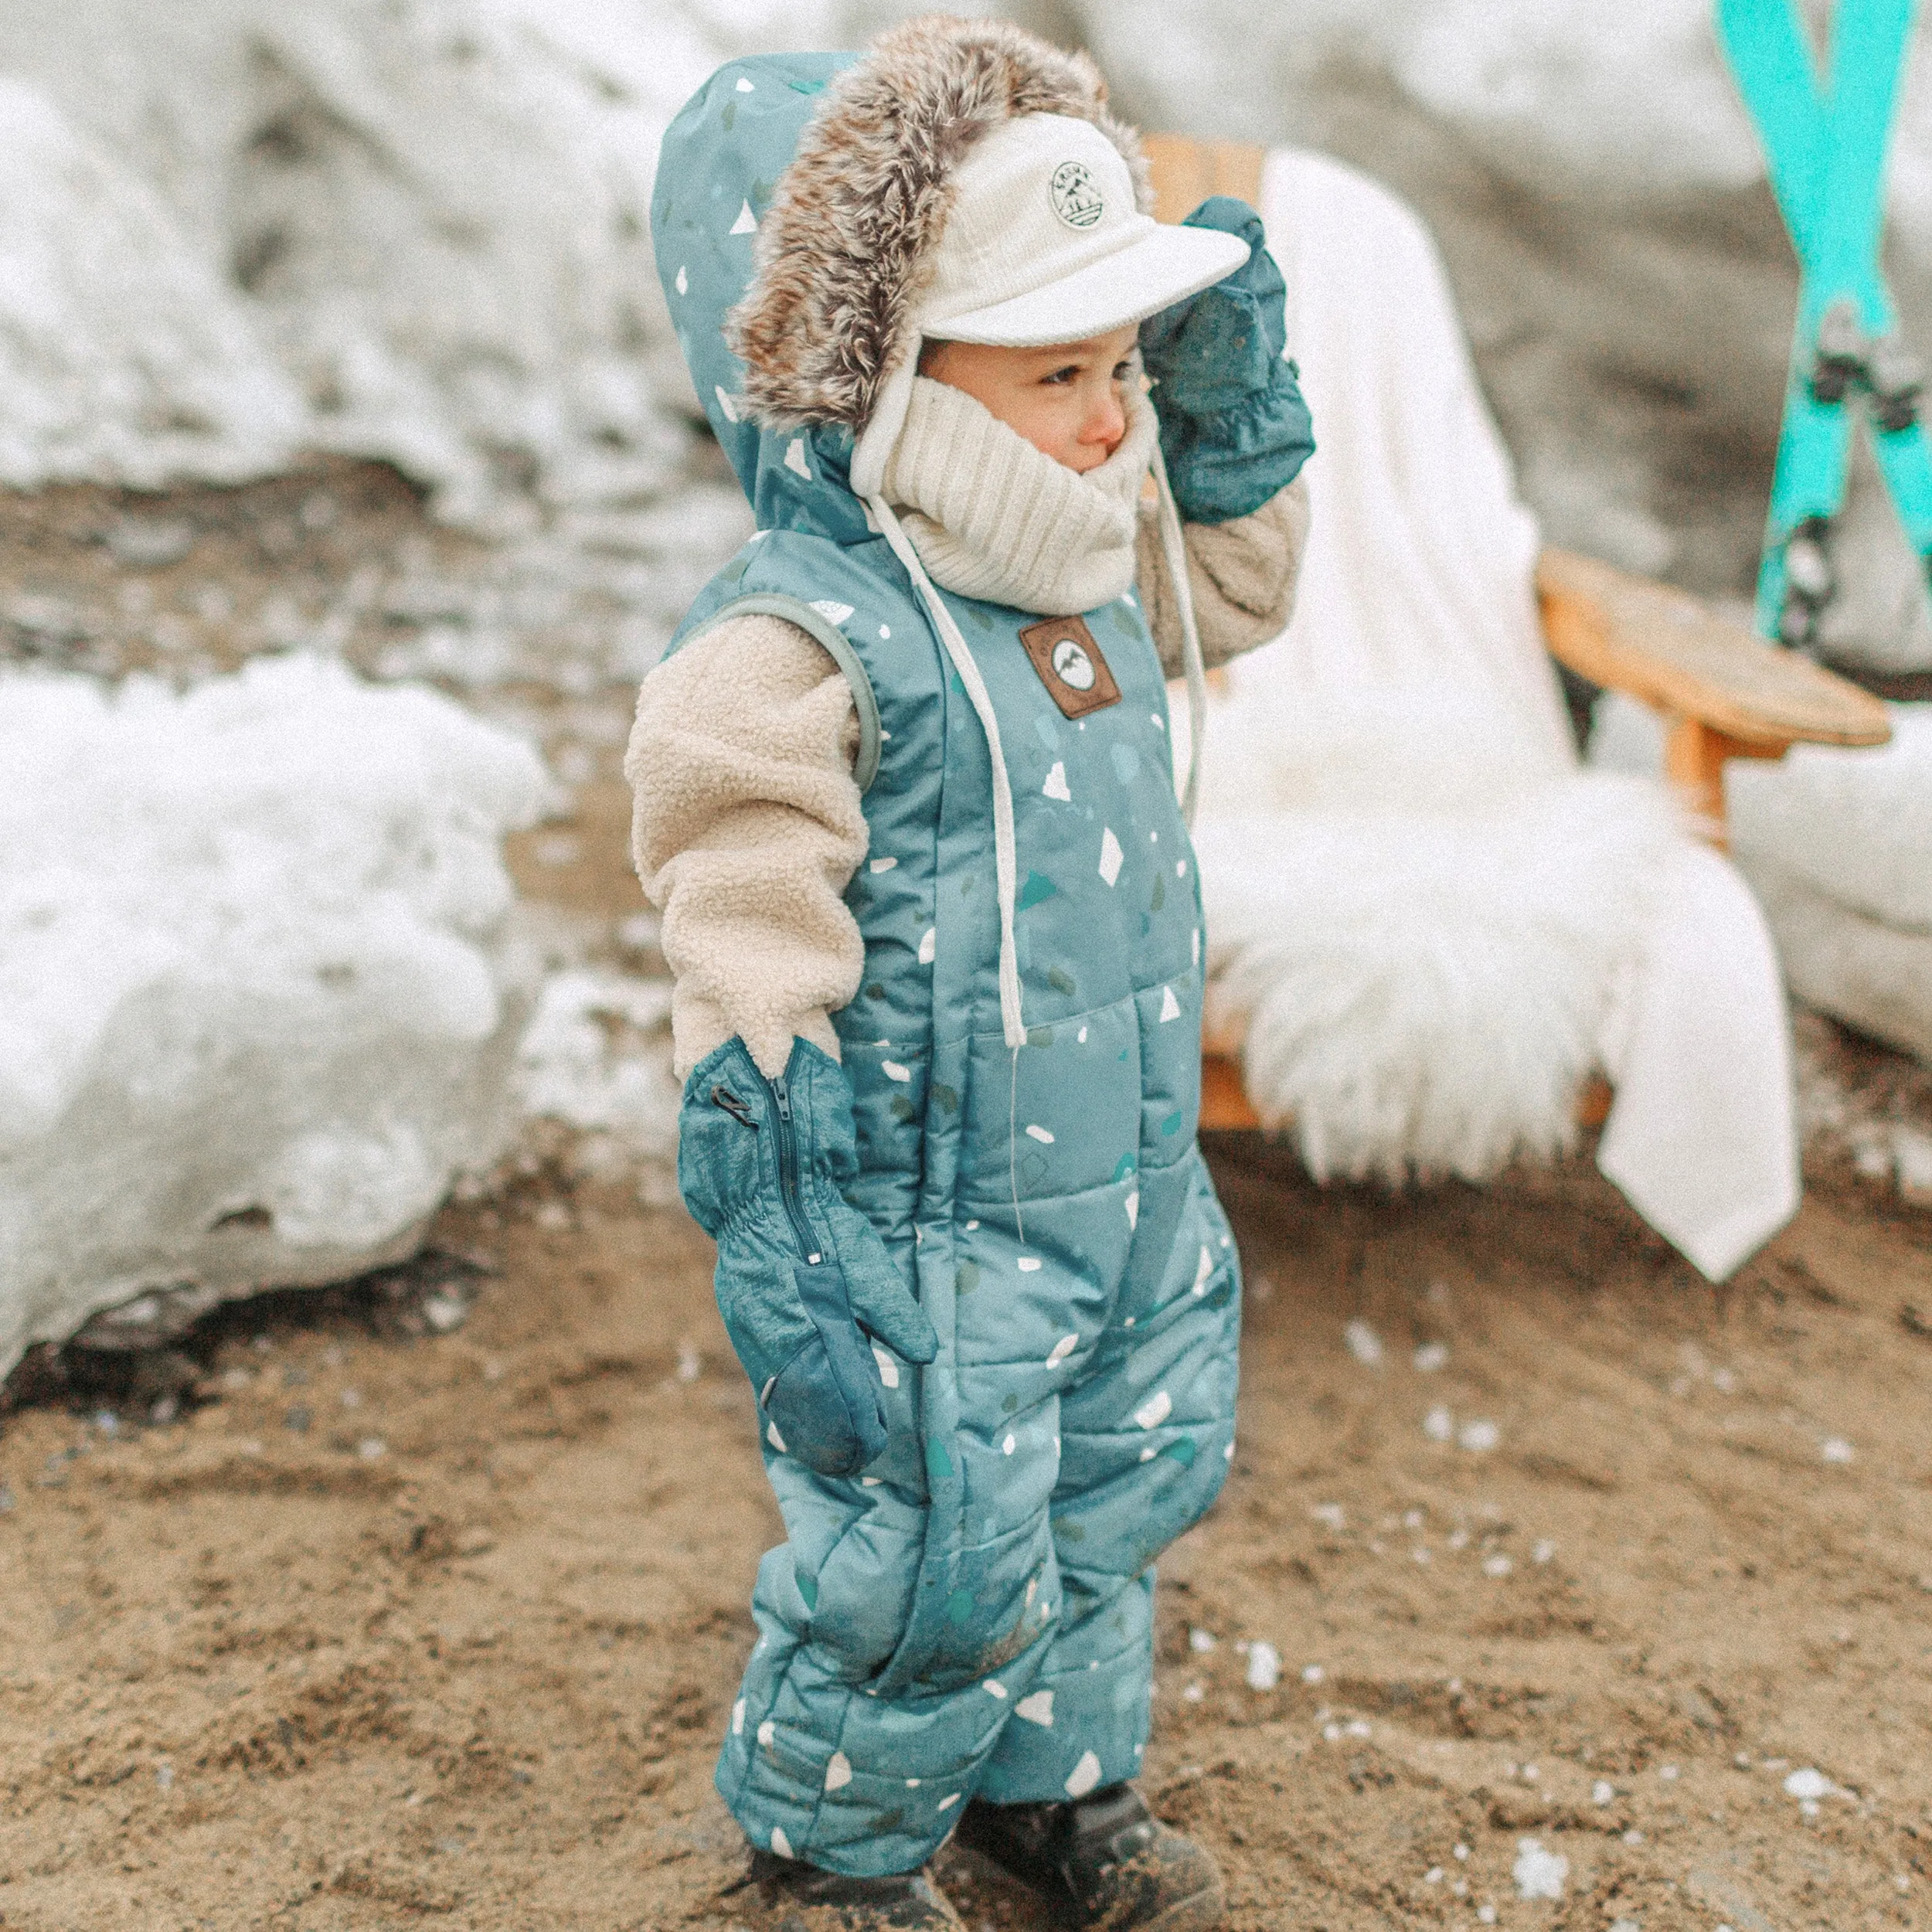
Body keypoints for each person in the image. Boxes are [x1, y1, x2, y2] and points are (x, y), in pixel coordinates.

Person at [627, 15, 1313, 1929]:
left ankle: (1051, 1787)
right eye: (1063, 370)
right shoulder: (808, 629)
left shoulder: (1091, 563)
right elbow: (725, 828)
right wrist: (767, 1100)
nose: (1115, 417)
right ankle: (826, 1854)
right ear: (891, 375)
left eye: (1125, 363)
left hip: (1122, 1170)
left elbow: (1244, 586)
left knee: (1114, 1484)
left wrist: (1222, 372)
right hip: (915, 1208)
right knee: (935, 1535)